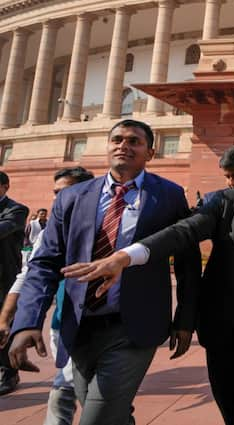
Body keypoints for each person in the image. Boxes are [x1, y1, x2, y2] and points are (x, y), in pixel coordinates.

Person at [61, 147, 234, 425]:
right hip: (226, 325)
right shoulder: (224, 204)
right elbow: (183, 233)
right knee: (230, 406)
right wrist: (126, 256)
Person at [8, 120, 201, 424]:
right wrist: (26, 322)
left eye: (134, 141)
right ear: (107, 146)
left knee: (96, 418)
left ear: (150, 152)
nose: (124, 145)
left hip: (136, 326)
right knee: (113, 413)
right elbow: (45, 263)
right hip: (81, 324)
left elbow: (188, 262)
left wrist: (185, 320)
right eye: (117, 139)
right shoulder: (73, 197)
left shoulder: (168, 195)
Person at [0, 166, 94, 424]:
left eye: (65, 192)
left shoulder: (112, 222)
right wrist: (8, 318)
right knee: (73, 391)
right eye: (55, 193)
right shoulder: (54, 229)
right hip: (63, 321)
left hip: (106, 326)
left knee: (68, 394)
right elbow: (31, 273)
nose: (57, 200)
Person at [0, 171, 29, 396]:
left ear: (5, 187)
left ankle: (9, 371)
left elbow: (5, 229)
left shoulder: (16, 209)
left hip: (4, 278)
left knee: (3, 325)